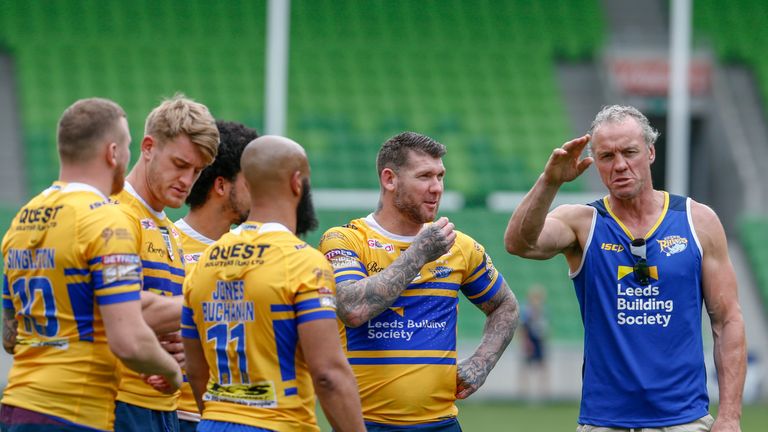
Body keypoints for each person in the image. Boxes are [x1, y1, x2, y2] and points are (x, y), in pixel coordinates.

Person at [504, 105, 746, 431]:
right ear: (595, 164)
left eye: (629, 152)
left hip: (683, 420)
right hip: (604, 421)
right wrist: (550, 181)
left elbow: (728, 319)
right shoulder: (582, 223)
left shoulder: (697, 220)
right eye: (606, 157)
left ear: (650, 152)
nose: (619, 165)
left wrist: (730, 415)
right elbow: (519, 243)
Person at [0, 98, 183, 431]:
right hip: (74, 412)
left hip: (17, 408)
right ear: (113, 153)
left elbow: (10, 338)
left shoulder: (21, 221)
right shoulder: (106, 221)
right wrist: (171, 371)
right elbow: (128, 340)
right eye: (127, 147)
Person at [318, 131, 519, 431]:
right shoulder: (346, 240)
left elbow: (506, 306)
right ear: (390, 179)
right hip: (365, 424)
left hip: (443, 424)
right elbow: (352, 308)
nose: (437, 188)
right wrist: (419, 254)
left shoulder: (458, 246)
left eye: (440, 176)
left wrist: (481, 364)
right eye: (425, 176)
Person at [181, 135, 366, 432]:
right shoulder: (303, 263)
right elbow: (328, 374)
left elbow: (194, 367)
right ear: (297, 183)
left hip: (214, 422)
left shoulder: (204, 261)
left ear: (247, 186)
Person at [112, 95, 220, 432]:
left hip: (164, 406)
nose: (187, 180)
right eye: (179, 164)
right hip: (119, 401)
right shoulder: (115, 213)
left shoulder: (170, 232)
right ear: (147, 147)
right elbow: (120, 312)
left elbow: (168, 321)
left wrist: (183, 348)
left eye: (197, 171)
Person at [173, 120, 258, 431]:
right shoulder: (168, 244)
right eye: (251, 182)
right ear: (221, 186)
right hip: (180, 414)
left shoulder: (256, 250)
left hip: (238, 416)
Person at [517, 285, 549, 402]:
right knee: (526, 367)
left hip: (539, 341)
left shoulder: (543, 310)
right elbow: (523, 328)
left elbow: (545, 328)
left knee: (542, 366)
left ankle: (543, 394)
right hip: (530, 341)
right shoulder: (527, 311)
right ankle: (525, 394)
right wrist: (525, 342)